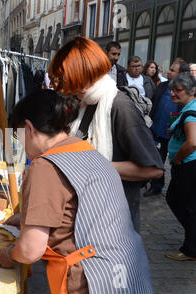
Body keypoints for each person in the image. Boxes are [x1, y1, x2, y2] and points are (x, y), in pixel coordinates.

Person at [0, 89, 154, 294]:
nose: (21, 144)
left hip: (91, 283)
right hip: (129, 274)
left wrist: (8, 255)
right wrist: (28, 218)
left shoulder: (44, 166)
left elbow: (29, 250)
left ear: (29, 128)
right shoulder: (87, 150)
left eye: (19, 136)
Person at [48, 37, 163, 233]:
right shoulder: (86, 102)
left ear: (82, 73)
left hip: (113, 224)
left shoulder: (120, 106)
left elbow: (153, 169)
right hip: (88, 220)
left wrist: (94, 166)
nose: (63, 86)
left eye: (65, 78)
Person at [144, 59, 191, 197]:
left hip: (174, 133)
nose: (168, 72)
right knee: (156, 158)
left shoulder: (186, 92)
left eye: (172, 70)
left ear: (181, 74)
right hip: (157, 129)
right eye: (169, 70)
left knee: (175, 163)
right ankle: (156, 185)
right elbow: (153, 104)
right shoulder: (162, 85)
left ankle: (177, 190)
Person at [164, 72, 196, 261]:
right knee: (186, 204)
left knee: (183, 204)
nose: (173, 94)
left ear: (191, 91)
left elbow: (192, 142)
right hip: (189, 165)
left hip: (188, 165)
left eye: (178, 90)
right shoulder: (189, 108)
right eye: (172, 90)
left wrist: (178, 158)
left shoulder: (191, 112)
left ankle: (190, 249)